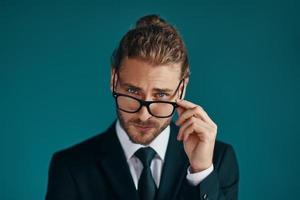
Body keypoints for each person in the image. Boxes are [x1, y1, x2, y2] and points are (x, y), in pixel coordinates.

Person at [45, 14, 239, 200]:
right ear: (114, 80)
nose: (144, 116)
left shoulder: (218, 160)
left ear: (182, 89)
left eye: (161, 95)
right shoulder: (70, 167)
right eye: (132, 91)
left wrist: (201, 173)